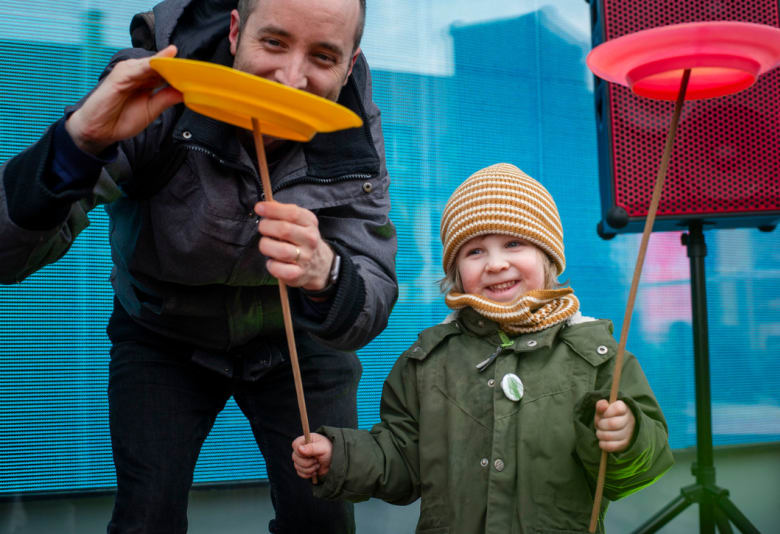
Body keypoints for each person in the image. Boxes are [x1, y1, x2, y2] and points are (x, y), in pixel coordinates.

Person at [0, 0, 396, 532]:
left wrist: (328, 275)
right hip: (162, 332)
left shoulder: (354, 134)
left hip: (295, 338)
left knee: (321, 519)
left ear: (350, 65)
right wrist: (76, 145)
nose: (290, 78)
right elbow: (8, 255)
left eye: (323, 56)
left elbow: (371, 293)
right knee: (147, 518)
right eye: (274, 43)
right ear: (235, 31)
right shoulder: (152, 87)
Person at [292, 163, 674, 533]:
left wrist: (628, 437)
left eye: (513, 243)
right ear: (455, 271)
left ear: (548, 256)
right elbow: (401, 460)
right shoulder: (427, 361)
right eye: (474, 251)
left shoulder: (595, 355)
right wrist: (340, 458)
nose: (495, 263)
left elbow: (632, 472)